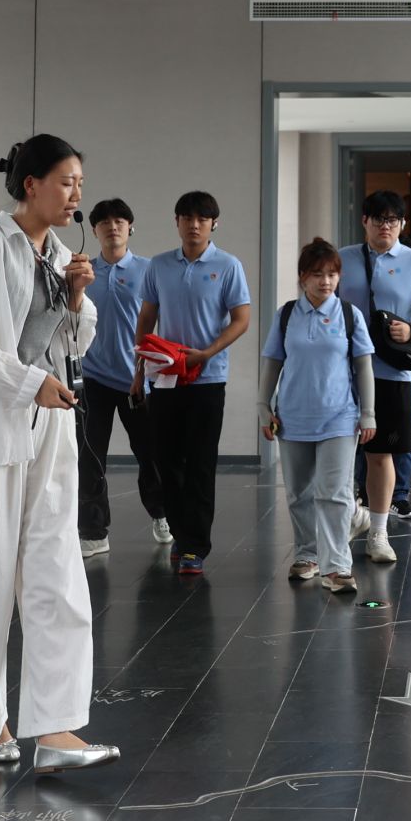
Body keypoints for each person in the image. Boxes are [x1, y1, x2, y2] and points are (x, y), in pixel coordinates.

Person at [0, 134, 119, 773]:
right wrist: (32, 383)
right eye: (66, 181)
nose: (76, 194)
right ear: (30, 184)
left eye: (80, 183)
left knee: (58, 572)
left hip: (47, 428)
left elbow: (73, 344)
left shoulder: (60, 256)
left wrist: (78, 297)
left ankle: (56, 730)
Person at [133, 190, 253, 576]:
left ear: (214, 223)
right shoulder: (159, 265)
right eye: (187, 218)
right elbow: (147, 318)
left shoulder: (228, 266)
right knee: (166, 460)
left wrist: (207, 353)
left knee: (200, 462)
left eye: (202, 218)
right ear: (177, 222)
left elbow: (241, 319)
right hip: (165, 377)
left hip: (208, 379)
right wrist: (139, 370)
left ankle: (194, 546)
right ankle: (181, 534)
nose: (194, 225)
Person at [261, 237, 378, 593]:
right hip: (292, 417)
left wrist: (368, 414)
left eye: (332, 274)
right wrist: (263, 408)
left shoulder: (349, 315)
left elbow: (363, 366)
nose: (326, 281)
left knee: (333, 493)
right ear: (302, 277)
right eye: (317, 274)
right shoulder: (286, 315)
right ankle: (308, 554)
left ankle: (337, 567)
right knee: (299, 493)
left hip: (339, 417)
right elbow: (273, 363)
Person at [337, 190, 411, 562]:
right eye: (379, 219)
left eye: (393, 220)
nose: (386, 226)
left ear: (402, 224)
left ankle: (378, 533)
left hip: (390, 372)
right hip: (341, 371)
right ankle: (346, 519)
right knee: (337, 452)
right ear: (364, 221)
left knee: (381, 454)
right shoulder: (343, 259)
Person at [75, 197, 170, 557]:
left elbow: (162, 322)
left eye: (119, 221)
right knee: (90, 457)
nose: (112, 227)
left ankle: (161, 513)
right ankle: (93, 530)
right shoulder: (84, 272)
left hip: (138, 380)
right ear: (94, 230)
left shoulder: (149, 270)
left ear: (130, 228)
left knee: (151, 455)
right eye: (104, 222)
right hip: (93, 379)